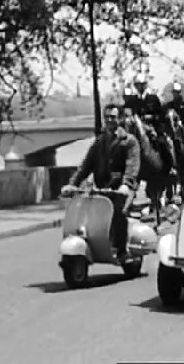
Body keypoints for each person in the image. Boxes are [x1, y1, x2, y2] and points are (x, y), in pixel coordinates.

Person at [62, 104, 141, 261]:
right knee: (88, 210)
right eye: (107, 117)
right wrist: (73, 184)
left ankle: (121, 250)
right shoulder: (99, 142)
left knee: (118, 211)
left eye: (113, 117)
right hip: (103, 189)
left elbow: (132, 165)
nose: (110, 120)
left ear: (119, 119)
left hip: (122, 189)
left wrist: (126, 184)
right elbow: (85, 166)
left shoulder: (129, 141)